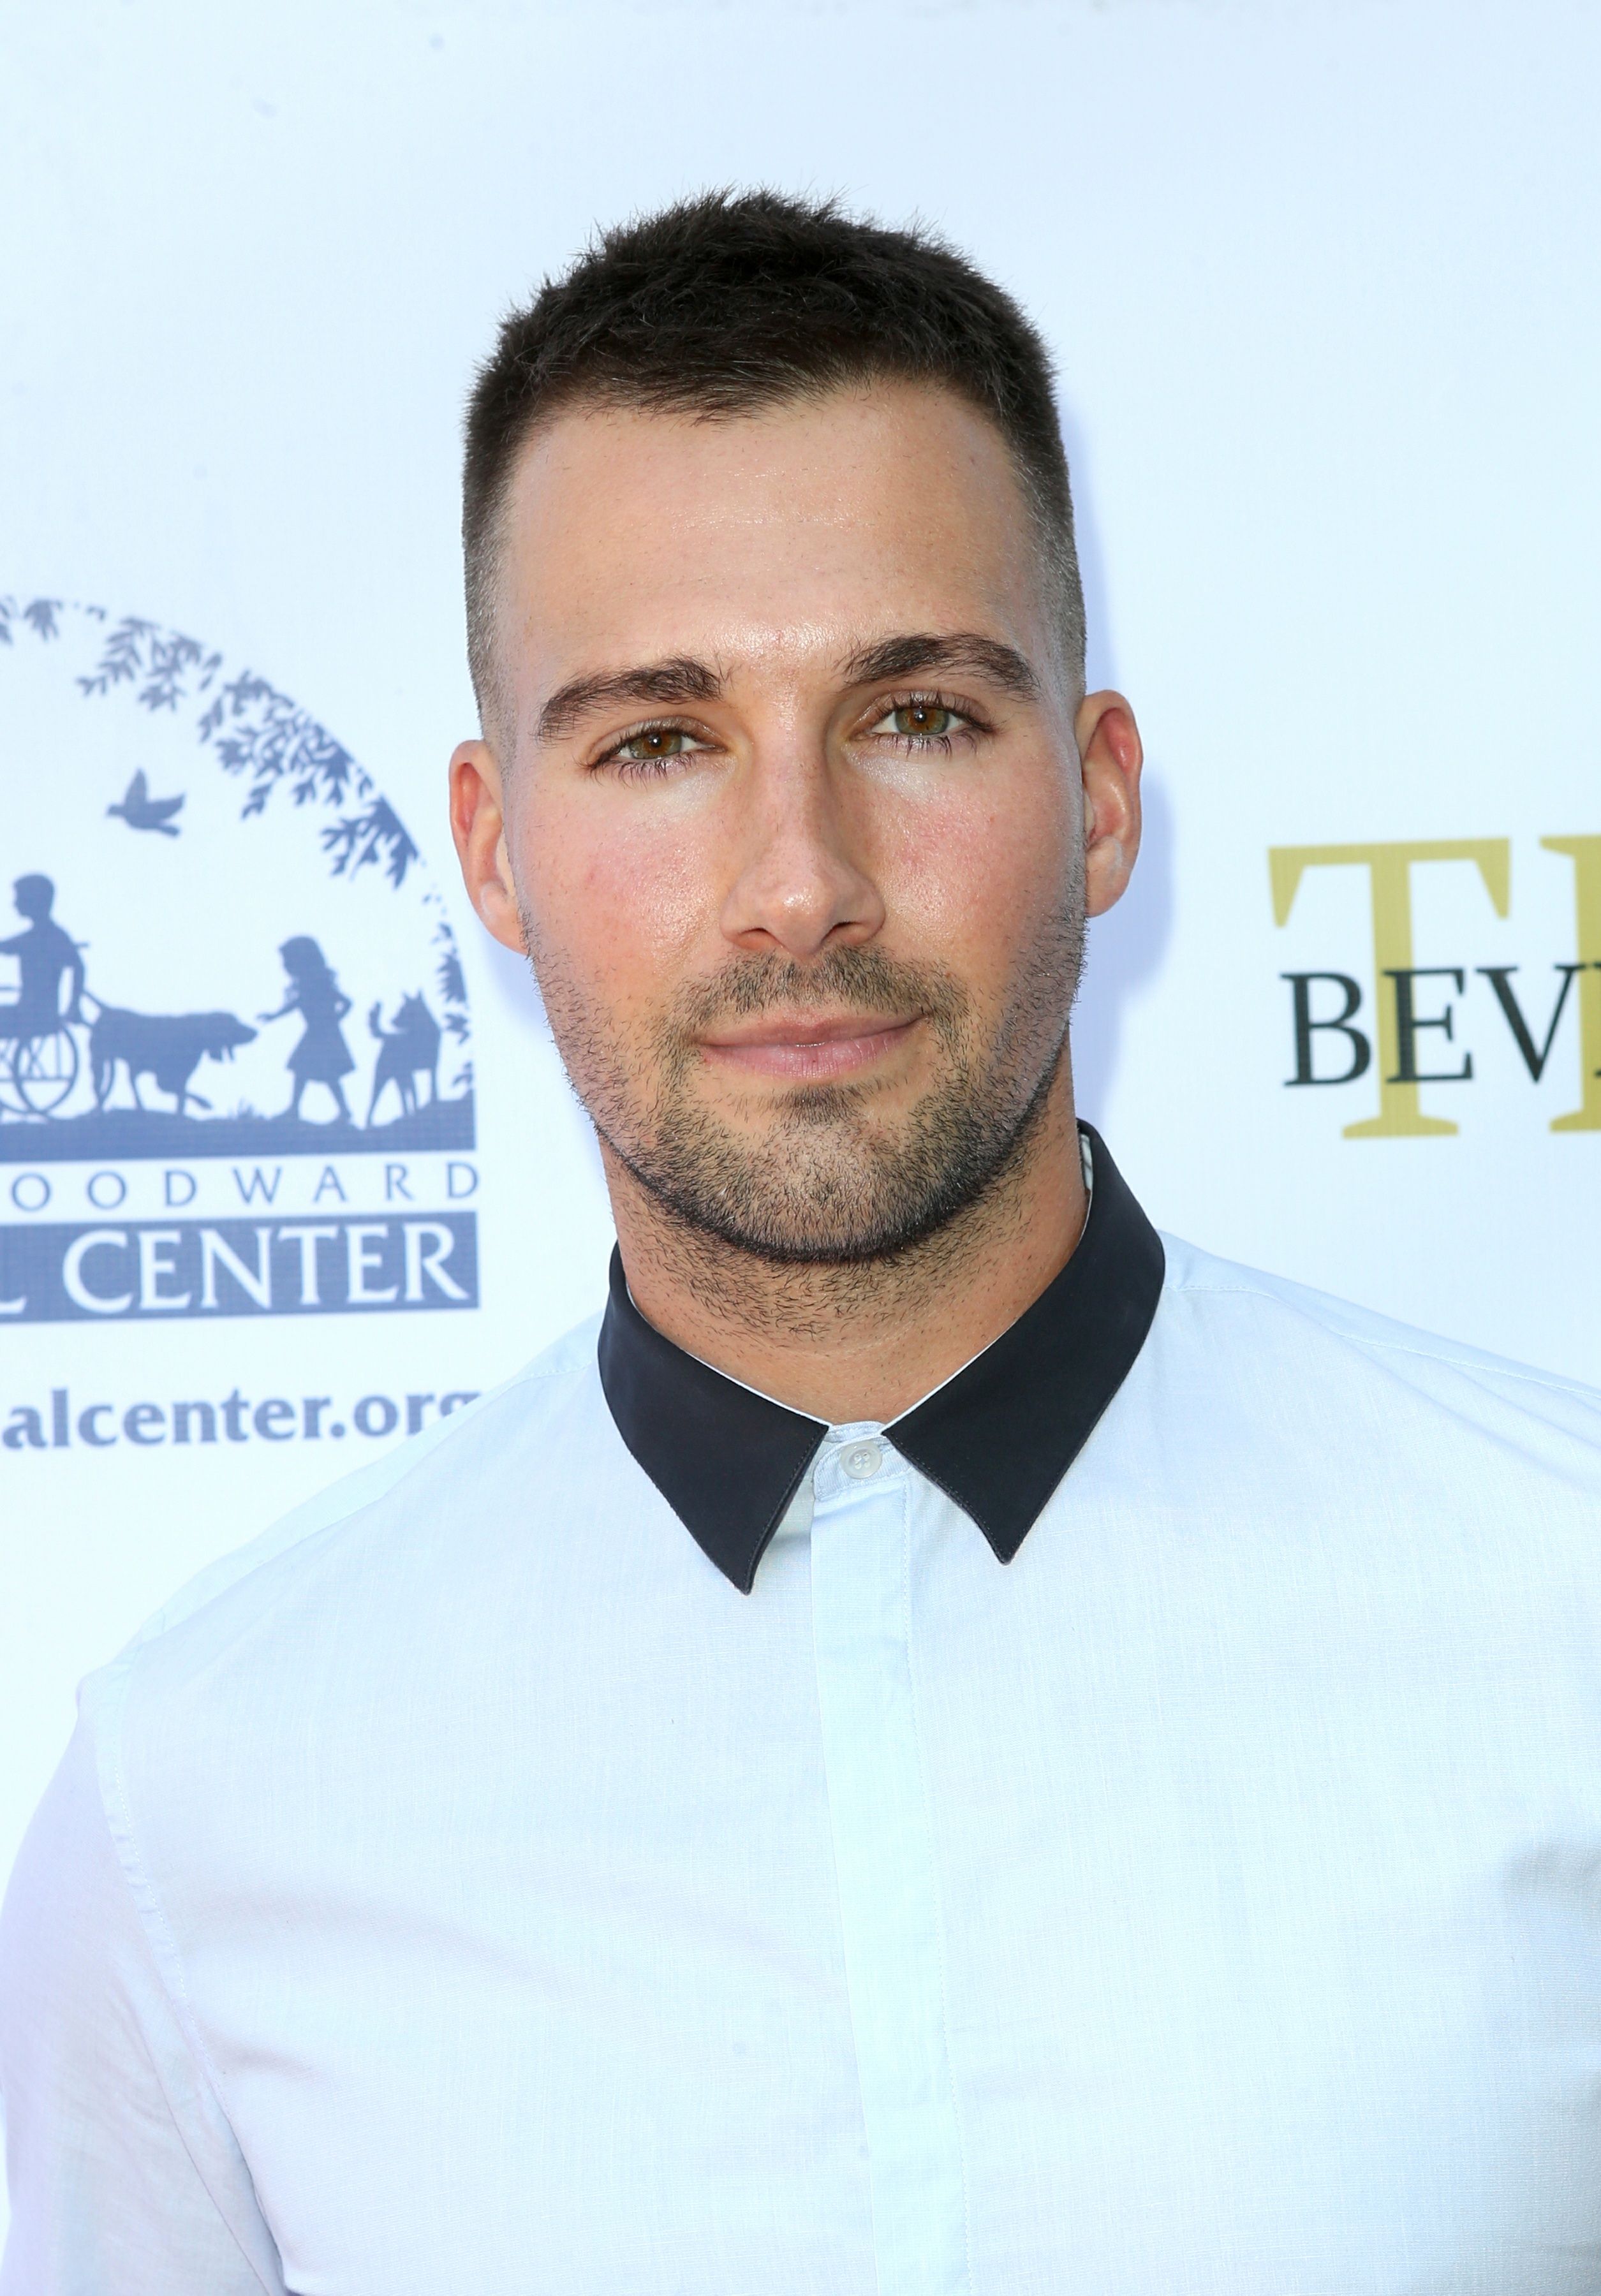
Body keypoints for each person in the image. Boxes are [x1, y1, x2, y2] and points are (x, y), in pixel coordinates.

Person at [3, 193, 1600, 2296]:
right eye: (660, 740)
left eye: (916, 713)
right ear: (493, 846)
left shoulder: (1560, 1613)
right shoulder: (203, 1786)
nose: (800, 885)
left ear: (1105, 796)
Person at [257, 934, 355, 1121]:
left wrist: (335, 1020)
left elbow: (347, 1002)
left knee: (325, 1073)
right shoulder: (306, 984)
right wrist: (273, 1016)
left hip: (324, 1034)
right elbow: (296, 1004)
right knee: (303, 1070)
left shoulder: (318, 982)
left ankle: (341, 1111)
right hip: (316, 1032)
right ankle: (296, 1109)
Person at [0, 874, 85, 1040]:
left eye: (20, 898)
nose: (15, 904)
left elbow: (79, 967)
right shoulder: (39, 937)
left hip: (34, 1018)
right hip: (32, 1014)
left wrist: (74, 1005)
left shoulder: (45, 938)